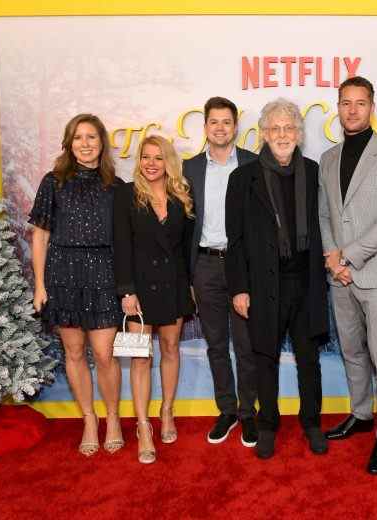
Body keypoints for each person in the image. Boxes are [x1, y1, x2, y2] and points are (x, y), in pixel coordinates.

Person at [225, 98, 328, 459]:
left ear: (298, 134)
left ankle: (312, 422)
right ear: (263, 134)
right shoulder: (242, 178)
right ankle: (267, 423)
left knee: (309, 358)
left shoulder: (315, 173)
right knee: (264, 356)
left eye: (289, 128)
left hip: (307, 280)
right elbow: (234, 239)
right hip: (262, 285)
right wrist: (238, 287)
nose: (282, 135)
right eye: (275, 129)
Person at [318, 76, 377, 475]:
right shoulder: (327, 159)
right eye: (345, 103)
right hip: (338, 275)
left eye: (360, 103)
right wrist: (330, 256)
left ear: (372, 106)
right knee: (352, 351)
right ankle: (360, 414)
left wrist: (349, 257)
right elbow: (325, 214)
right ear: (337, 107)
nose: (352, 109)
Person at [30, 113, 124, 457]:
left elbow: (126, 240)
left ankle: (112, 417)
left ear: (102, 142)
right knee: (73, 352)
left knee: (104, 354)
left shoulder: (116, 186)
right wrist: (40, 285)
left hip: (104, 273)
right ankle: (89, 419)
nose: (85, 144)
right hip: (63, 274)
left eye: (92, 137)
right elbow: (40, 236)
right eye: (79, 137)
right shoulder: (52, 182)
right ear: (69, 143)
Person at [113, 135, 195, 464]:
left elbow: (186, 248)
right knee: (141, 358)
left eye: (158, 158)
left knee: (171, 350)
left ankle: (167, 412)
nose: (150, 163)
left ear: (168, 163)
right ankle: (143, 426)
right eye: (145, 157)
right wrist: (127, 290)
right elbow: (120, 245)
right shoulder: (126, 195)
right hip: (141, 290)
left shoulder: (181, 196)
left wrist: (189, 285)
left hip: (174, 285)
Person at [183, 97, 259, 447]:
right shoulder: (189, 169)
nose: (220, 127)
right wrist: (188, 275)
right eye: (213, 122)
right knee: (216, 343)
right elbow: (183, 224)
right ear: (205, 128)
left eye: (226, 122)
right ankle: (226, 409)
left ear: (235, 127)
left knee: (246, 344)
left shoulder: (255, 164)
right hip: (205, 264)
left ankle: (248, 413)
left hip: (243, 264)